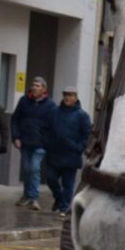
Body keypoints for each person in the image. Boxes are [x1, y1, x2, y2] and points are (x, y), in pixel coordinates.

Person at [43, 87, 92, 215]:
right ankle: (59, 199)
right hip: (54, 153)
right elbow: (46, 129)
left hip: (71, 155)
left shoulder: (82, 115)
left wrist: (78, 147)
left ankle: (65, 207)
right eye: (65, 95)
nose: (67, 98)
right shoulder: (54, 112)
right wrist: (47, 143)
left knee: (68, 184)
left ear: (76, 98)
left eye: (70, 95)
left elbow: (86, 135)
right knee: (50, 178)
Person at [10, 76, 56, 210]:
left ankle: (34, 198)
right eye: (33, 85)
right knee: (26, 169)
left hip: (40, 144)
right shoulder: (24, 101)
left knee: (34, 169)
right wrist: (15, 137)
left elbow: (52, 125)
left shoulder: (50, 105)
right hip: (25, 142)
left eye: (38, 85)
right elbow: (15, 119)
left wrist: (46, 141)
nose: (34, 87)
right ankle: (26, 195)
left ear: (44, 89)